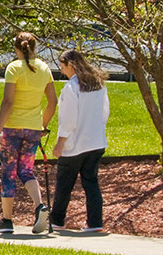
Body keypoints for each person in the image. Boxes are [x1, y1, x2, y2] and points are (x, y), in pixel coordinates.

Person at [0, 32, 57, 234]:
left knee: (8, 172)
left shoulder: (14, 68)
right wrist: (42, 124)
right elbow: (52, 101)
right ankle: (40, 206)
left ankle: (7, 219)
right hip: (33, 128)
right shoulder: (44, 68)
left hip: (12, 128)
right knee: (26, 170)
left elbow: (8, 101)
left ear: (16, 48)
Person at [50, 49, 109, 232]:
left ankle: (57, 220)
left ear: (71, 65)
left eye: (63, 66)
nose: (62, 70)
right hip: (96, 141)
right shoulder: (98, 84)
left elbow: (68, 120)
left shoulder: (71, 87)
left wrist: (60, 142)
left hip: (75, 145)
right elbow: (105, 112)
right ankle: (95, 222)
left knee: (64, 183)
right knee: (91, 182)